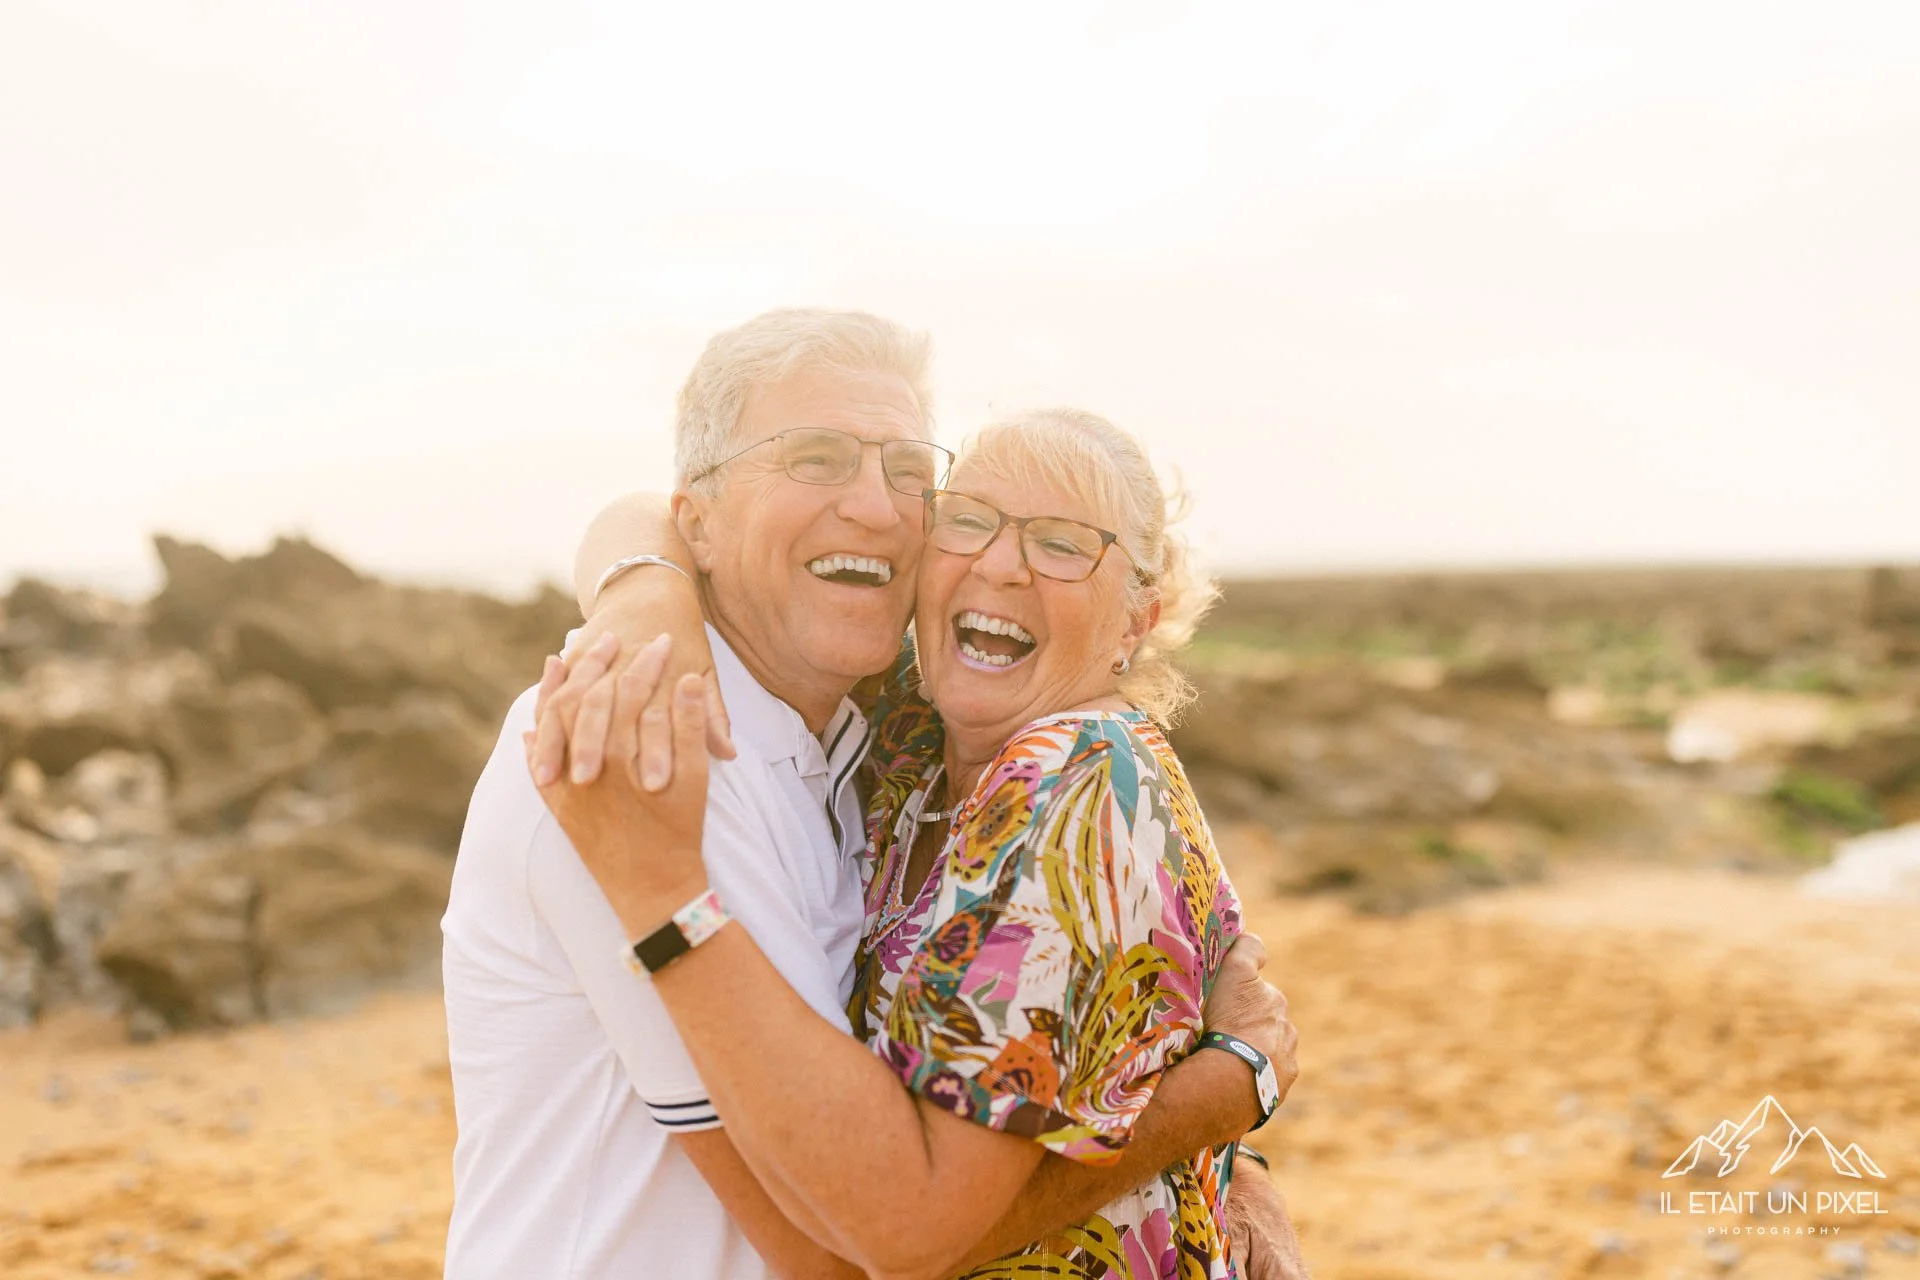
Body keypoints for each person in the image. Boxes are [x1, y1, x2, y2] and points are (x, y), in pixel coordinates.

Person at [442, 309, 1302, 1279]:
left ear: (1137, 615)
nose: (879, 507)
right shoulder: (651, 739)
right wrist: (1225, 1089)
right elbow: (847, 1251)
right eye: (816, 457)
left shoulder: (965, 750)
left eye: (907, 474)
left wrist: (1225, 1151)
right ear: (700, 521)